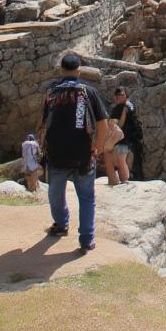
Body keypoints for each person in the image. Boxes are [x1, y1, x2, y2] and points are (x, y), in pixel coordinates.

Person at [40, 52, 108, 253]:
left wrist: (43, 145)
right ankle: (86, 240)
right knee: (86, 198)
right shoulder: (89, 92)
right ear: (79, 70)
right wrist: (98, 147)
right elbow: (102, 123)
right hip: (83, 156)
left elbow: (44, 123)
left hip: (56, 154)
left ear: (61, 70)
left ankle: (61, 224)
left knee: (55, 194)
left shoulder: (51, 91)